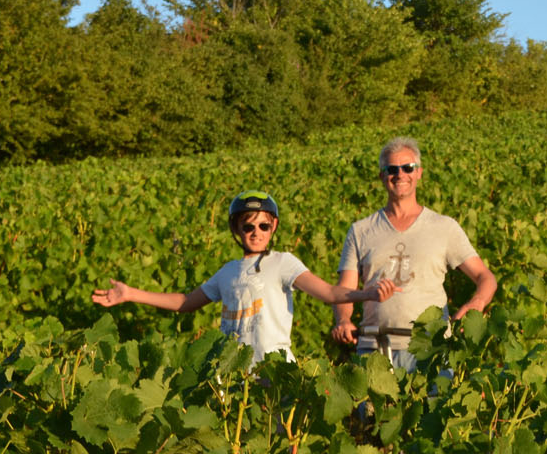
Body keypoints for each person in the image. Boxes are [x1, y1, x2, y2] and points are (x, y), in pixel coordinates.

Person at [91, 191, 396, 363]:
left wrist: (366, 294)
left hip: (274, 369)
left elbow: (328, 293)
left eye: (263, 226)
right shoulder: (227, 272)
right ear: (236, 230)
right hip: (233, 369)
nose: (256, 233)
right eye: (248, 227)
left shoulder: (283, 263)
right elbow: (185, 302)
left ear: (273, 227)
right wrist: (130, 294)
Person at [331, 138, 498, 370]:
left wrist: (477, 303)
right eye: (392, 169)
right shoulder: (361, 231)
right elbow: (345, 290)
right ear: (382, 176)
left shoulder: (444, 227)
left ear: (419, 173)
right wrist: (343, 320)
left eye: (408, 168)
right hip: (374, 348)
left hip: (431, 349)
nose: (400, 174)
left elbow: (485, 276)